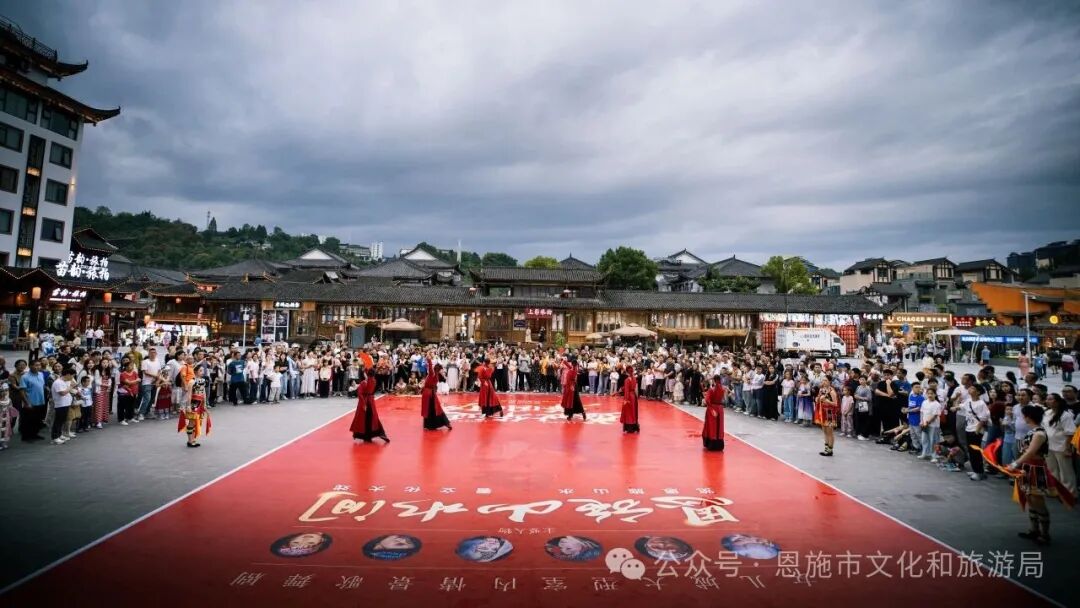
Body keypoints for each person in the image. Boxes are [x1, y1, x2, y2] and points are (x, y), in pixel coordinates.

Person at [1007, 405, 1076, 545]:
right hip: (1028, 467)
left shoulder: (1039, 433)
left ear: (1028, 417)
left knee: (1037, 500)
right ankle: (1034, 529)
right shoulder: (1033, 431)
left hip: (1036, 468)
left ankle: (1044, 533)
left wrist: (1015, 464)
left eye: (1024, 415)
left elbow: (1031, 452)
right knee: (1030, 498)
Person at [350, 370, 388, 443]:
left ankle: (365, 436)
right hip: (371, 401)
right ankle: (376, 433)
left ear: (367, 374)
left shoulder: (364, 383)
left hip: (365, 401)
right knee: (373, 418)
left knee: (364, 419)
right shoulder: (373, 381)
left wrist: (363, 404)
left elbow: (360, 394)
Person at [178, 366, 211, 448]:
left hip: (200, 403)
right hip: (194, 403)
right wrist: (188, 406)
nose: (202, 372)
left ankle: (193, 439)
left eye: (203, 370)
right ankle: (190, 441)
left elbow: (204, 393)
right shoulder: (191, 381)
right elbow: (189, 395)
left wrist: (205, 404)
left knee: (197, 422)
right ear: (195, 372)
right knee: (192, 422)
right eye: (200, 370)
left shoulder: (203, 381)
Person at [420, 357, 452, 431]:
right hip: (430, 393)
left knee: (430, 409)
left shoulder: (432, 374)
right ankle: (444, 423)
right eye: (441, 370)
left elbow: (430, 368)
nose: (441, 371)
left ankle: (430, 425)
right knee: (435, 409)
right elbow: (430, 368)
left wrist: (429, 360)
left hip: (428, 394)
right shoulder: (436, 375)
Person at [702, 375, 725, 451]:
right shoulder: (722, 389)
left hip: (712, 408)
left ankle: (711, 444)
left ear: (714, 380)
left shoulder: (711, 390)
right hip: (720, 409)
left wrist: (711, 408)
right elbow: (723, 399)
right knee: (719, 426)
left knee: (711, 426)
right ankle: (719, 444)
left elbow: (707, 400)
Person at [817, 381, 839, 457]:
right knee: (825, 431)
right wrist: (818, 398)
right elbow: (818, 400)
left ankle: (830, 450)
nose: (824, 382)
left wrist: (827, 401)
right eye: (823, 380)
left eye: (826, 380)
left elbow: (835, 403)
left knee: (830, 432)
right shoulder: (821, 390)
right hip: (823, 412)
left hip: (830, 413)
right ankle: (826, 449)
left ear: (829, 382)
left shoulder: (832, 391)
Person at [561, 356, 586, 421]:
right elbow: (568, 365)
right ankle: (571, 415)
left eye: (572, 363)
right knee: (572, 401)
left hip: (572, 387)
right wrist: (564, 361)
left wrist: (571, 387)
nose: (571, 364)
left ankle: (576, 414)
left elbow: (573, 379)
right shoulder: (572, 368)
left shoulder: (574, 370)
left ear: (573, 364)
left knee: (572, 401)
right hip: (570, 386)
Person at [620, 366, 640, 434]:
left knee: (628, 413)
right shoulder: (634, 378)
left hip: (629, 397)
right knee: (633, 412)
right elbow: (632, 387)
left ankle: (629, 428)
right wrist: (622, 388)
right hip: (633, 396)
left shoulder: (627, 380)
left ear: (627, 372)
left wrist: (626, 400)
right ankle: (635, 428)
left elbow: (627, 391)